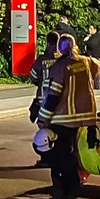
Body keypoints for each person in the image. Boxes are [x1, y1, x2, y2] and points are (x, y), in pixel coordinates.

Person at [37, 33, 100, 199]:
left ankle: (68, 187)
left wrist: (43, 117)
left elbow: (53, 96)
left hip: (63, 119)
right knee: (73, 152)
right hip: (85, 117)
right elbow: (98, 64)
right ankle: (72, 184)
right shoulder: (86, 62)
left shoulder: (60, 66)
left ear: (59, 48)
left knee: (61, 154)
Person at [28, 31, 61, 167]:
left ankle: (46, 159)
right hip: (59, 101)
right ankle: (58, 157)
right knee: (57, 130)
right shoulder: (62, 59)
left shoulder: (41, 60)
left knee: (44, 131)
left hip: (44, 101)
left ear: (47, 43)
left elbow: (33, 76)